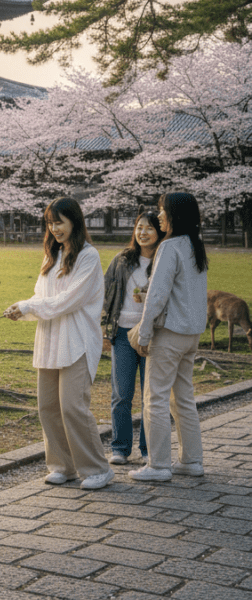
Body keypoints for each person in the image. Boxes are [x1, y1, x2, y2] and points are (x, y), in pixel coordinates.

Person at [5, 197, 114, 490]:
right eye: (50, 223)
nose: (54, 229)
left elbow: (69, 300)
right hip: (49, 339)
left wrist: (29, 307)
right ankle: (63, 466)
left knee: (72, 407)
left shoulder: (88, 256)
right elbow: (41, 297)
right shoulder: (51, 256)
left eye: (60, 222)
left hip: (76, 340)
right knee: (48, 406)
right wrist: (22, 308)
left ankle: (97, 468)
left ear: (74, 222)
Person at [127, 192, 209, 482]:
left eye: (162, 211)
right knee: (183, 399)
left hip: (170, 334)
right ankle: (192, 460)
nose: (158, 216)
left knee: (156, 399)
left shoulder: (170, 246)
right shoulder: (195, 245)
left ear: (174, 215)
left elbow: (158, 295)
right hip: (191, 334)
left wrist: (145, 332)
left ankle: (158, 465)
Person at [101, 210, 165, 465]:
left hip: (153, 335)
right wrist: (104, 329)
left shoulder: (164, 260)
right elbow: (105, 293)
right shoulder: (122, 260)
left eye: (149, 228)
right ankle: (120, 448)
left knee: (150, 395)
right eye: (139, 227)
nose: (143, 233)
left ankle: (148, 449)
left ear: (159, 232)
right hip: (123, 333)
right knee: (121, 394)